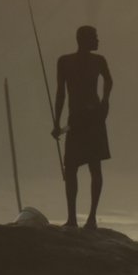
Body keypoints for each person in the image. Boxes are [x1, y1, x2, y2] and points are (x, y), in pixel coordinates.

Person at [51, 25, 113, 229]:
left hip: (92, 118)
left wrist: (105, 101)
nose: (98, 41)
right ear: (84, 39)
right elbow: (61, 93)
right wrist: (56, 122)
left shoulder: (99, 61)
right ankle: (72, 219)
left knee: (93, 168)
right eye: (94, 37)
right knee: (71, 169)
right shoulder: (65, 61)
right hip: (77, 120)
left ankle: (91, 217)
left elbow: (109, 81)